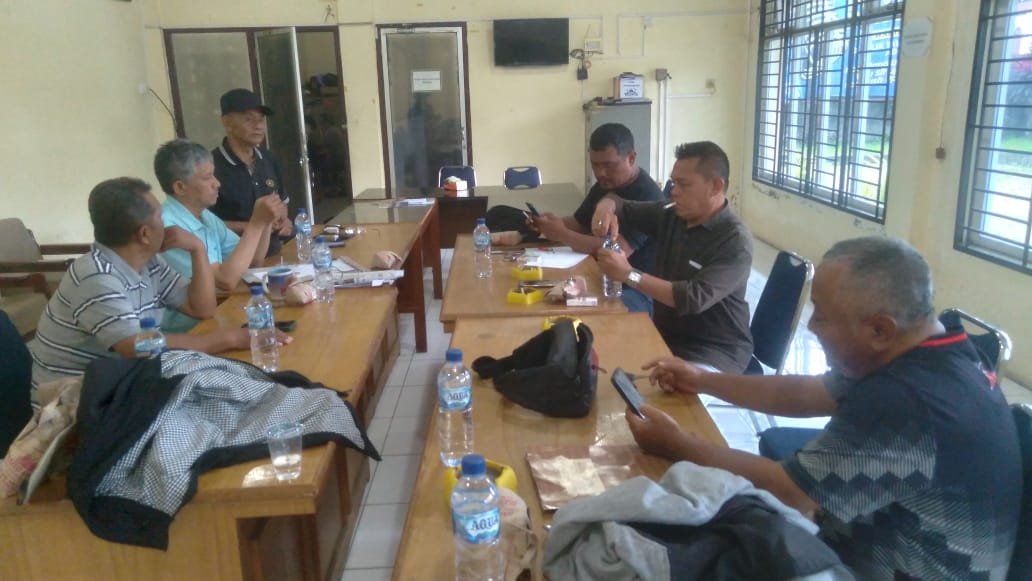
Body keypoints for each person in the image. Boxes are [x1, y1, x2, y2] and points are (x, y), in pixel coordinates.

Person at [626, 237, 1021, 579]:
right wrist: (703, 379)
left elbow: (791, 492)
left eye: (823, 316)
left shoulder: (906, 399)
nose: (811, 327)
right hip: (870, 538)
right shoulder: (930, 351)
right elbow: (804, 394)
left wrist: (676, 443)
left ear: (880, 329)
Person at [27, 177, 291, 405]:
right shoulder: (97, 277)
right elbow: (136, 346)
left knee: (247, 390)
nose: (166, 224)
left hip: (125, 381)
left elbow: (202, 308)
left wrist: (197, 249)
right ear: (144, 233)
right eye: (159, 217)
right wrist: (227, 339)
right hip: (75, 403)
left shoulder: (148, 261)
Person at [592, 141, 753, 372]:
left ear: (716, 186)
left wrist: (629, 275)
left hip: (714, 351)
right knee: (598, 355)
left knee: (667, 395)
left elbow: (693, 298)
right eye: (674, 182)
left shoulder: (734, 241)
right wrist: (605, 206)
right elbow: (620, 204)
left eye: (684, 184)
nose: (674, 191)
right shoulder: (671, 213)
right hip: (665, 336)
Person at [491, 123, 664, 313]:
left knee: (575, 312)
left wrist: (562, 234)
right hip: (600, 276)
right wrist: (550, 224)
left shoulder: (648, 194)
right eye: (595, 165)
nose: (600, 173)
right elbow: (579, 223)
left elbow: (619, 250)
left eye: (608, 165)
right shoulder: (603, 185)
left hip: (635, 289)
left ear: (631, 158)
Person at [155, 139, 286, 331]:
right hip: (185, 333)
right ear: (180, 187)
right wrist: (256, 224)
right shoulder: (168, 227)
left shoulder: (205, 217)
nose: (217, 183)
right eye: (208, 177)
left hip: (215, 318)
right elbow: (226, 280)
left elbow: (254, 260)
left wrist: (266, 220)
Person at [210, 88, 291, 257]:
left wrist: (283, 220)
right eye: (249, 119)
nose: (258, 126)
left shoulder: (268, 159)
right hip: (235, 256)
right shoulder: (210, 167)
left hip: (276, 250)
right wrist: (254, 226)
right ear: (227, 123)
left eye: (261, 119)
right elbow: (204, 223)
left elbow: (282, 201)